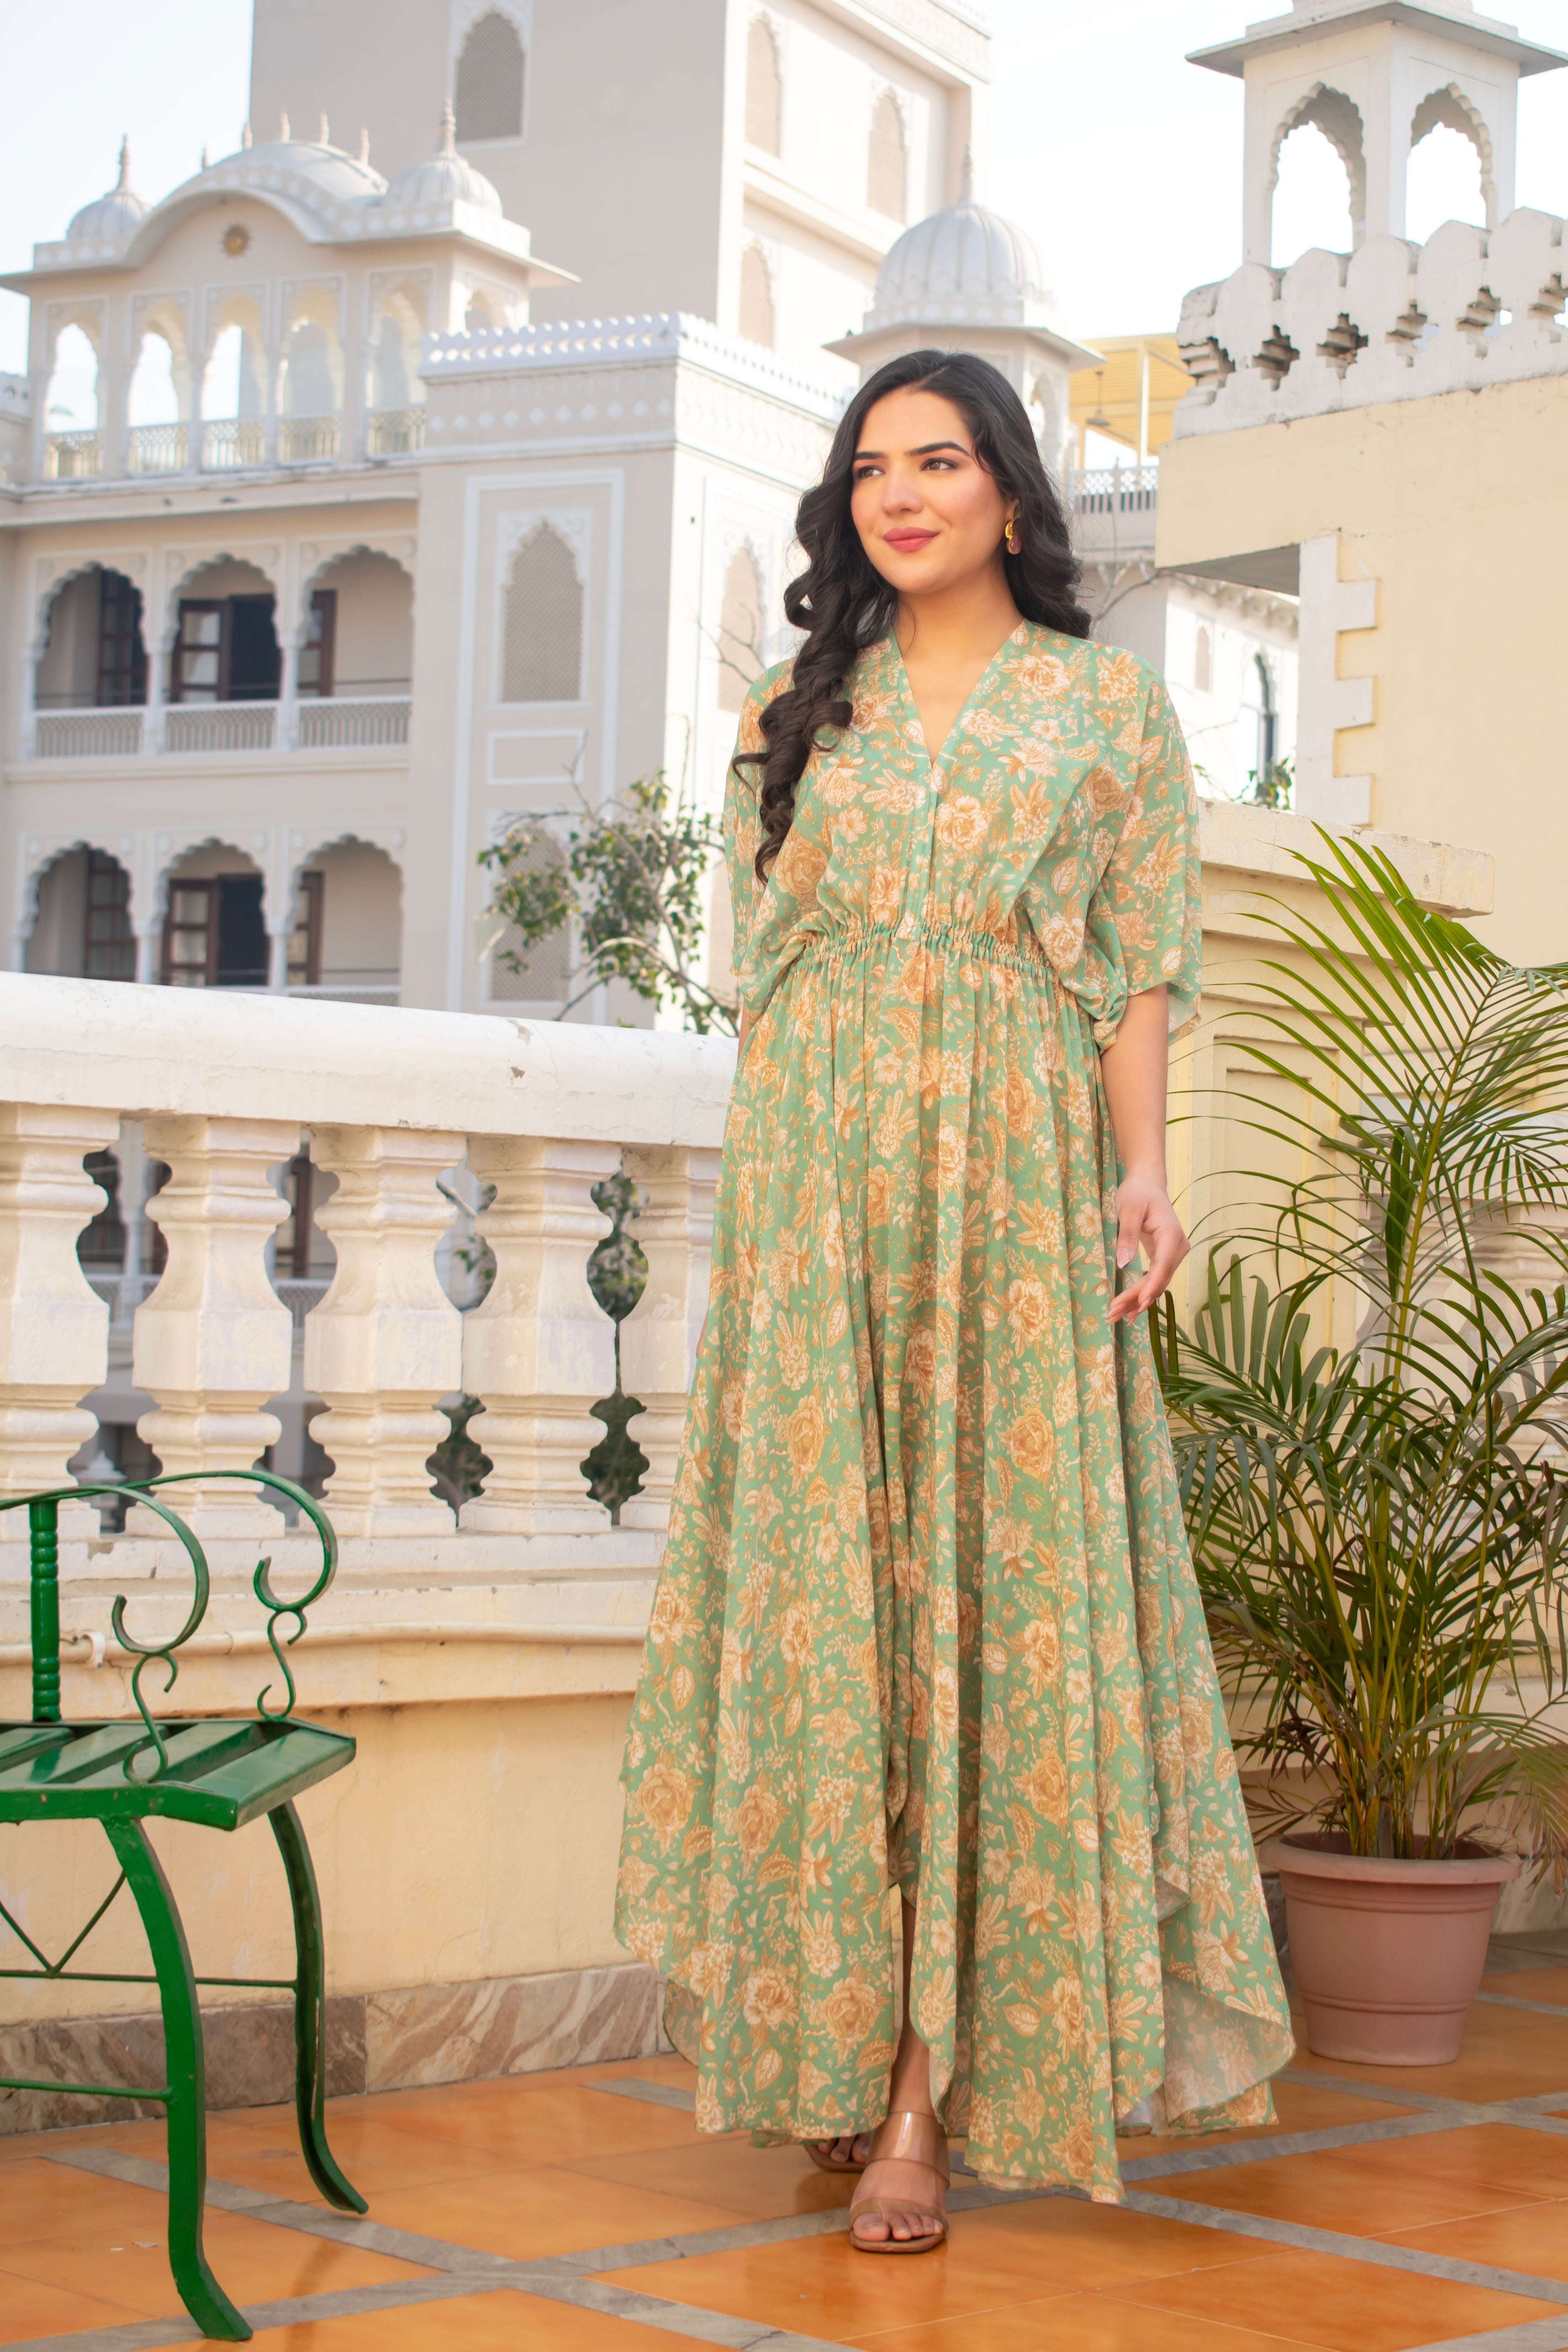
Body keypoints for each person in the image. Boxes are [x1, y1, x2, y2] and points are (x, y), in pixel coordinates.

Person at [616, 349, 1292, 2255]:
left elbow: (1135, 969)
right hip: (824, 1191)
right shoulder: (790, 708)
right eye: (872, 469)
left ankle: (924, 2095)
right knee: (840, 1614)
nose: (900, 494)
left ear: (1011, 488)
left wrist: (1143, 1172)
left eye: (943, 460)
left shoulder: (1101, 712)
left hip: (1007, 1180)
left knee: (989, 1607)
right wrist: (780, 1231)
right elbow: (776, 979)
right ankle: (836, 2041)